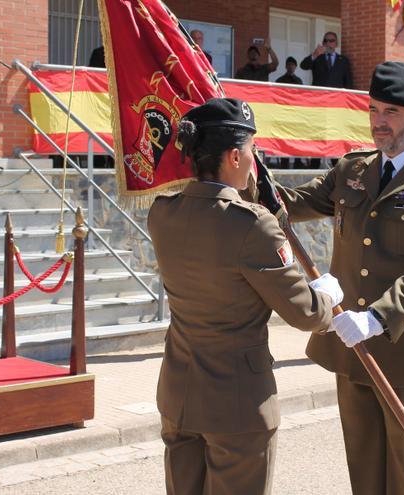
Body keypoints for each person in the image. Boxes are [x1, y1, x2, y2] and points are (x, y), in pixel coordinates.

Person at [273, 61, 404, 494]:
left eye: (391, 113)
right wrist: (246, 170)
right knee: (363, 469)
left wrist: (378, 317)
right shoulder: (353, 170)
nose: (379, 122)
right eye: (374, 110)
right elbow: (291, 203)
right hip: (351, 344)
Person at [148, 98, 342, 494]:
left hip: (179, 394)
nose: (254, 160)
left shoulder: (162, 212)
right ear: (235, 156)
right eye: (252, 151)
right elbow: (304, 313)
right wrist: (326, 294)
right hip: (237, 403)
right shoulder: (253, 226)